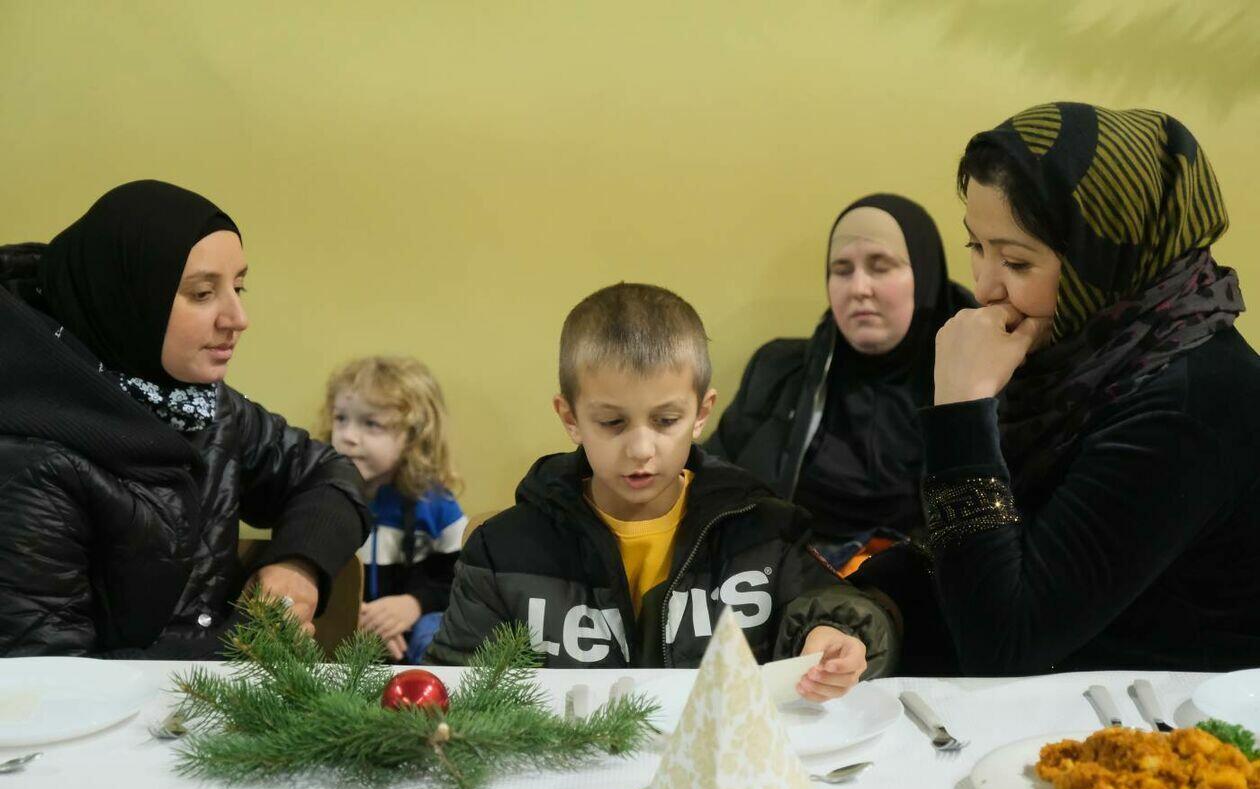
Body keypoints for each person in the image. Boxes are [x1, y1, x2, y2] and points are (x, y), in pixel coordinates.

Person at [427, 282, 899, 700]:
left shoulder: (762, 532)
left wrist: (836, 636)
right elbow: (454, 687)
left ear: (701, 414)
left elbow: (846, 610)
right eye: (612, 422)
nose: (640, 449)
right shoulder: (503, 552)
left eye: (666, 420)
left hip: (724, 766)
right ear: (570, 418)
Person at [918, 102, 1259, 674]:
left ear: (1102, 257)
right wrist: (869, 608)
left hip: (1182, 724)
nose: (984, 289)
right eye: (977, 247)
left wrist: (961, 412)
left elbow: (1002, 645)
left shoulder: (1193, 403)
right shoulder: (1084, 365)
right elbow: (978, 560)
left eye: (1016, 262)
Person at [0, 180, 369, 658]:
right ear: (126, 299)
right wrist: (245, 645)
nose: (238, 318)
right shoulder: (27, 460)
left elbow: (328, 473)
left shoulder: (197, 401)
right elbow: (52, 677)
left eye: (239, 286)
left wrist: (297, 565)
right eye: (202, 293)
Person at [706, 195, 974, 574]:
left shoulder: (982, 388)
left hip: (928, 589)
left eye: (880, 267)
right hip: (790, 585)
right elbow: (710, 486)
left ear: (925, 277)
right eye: (842, 270)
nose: (858, 288)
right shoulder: (780, 374)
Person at [320, 356, 467, 663]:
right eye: (341, 418)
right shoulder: (320, 498)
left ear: (413, 437)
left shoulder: (436, 506)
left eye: (371, 424)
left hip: (412, 637)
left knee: (437, 628)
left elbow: (463, 582)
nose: (347, 436)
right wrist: (355, 617)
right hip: (341, 632)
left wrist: (413, 604)